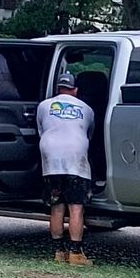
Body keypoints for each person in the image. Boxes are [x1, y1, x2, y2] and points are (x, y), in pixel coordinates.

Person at [37, 63, 96, 264]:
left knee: (57, 206)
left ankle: (58, 252)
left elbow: (41, 129)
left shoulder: (44, 106)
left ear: (58, 89)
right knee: (76, 207)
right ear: (75, 90)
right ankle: (76, 253)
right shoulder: (86, 109)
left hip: (50, 158)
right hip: (75, 158)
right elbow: (89, 133)